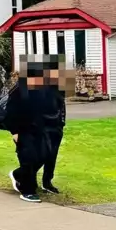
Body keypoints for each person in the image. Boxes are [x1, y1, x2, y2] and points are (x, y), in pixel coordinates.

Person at [3, 59, 55, 203]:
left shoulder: (43, 90)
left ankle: (17, 174)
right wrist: (14, 131)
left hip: (40, 129)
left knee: (43, 156)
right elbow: (10, 112)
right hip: (23, 130)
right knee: (28, 159)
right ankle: (27, 190)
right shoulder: (19, 90)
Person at [41, 59, 68, 194]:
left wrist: (61, 123)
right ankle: (25, 178)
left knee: (52, 155)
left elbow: (61, 106)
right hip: (43, 125)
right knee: (40, 154)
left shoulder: (60, 87)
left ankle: (47, 182)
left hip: (56, 125)